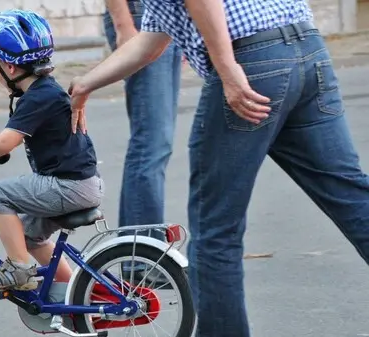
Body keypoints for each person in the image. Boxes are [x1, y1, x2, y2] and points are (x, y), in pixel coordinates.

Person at [67, 0, 369, 335]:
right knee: (350, 195)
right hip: (308, 52)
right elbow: (151, 40)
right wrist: (86, 84)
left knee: (216, 232)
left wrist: (226, 69)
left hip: (251, 60)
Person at [0, 9, 104, 291]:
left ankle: (18, 268)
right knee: (28, 237)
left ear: (9, 67)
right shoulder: (42, 92)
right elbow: (11, 139)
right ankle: (75, 293)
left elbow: (6, 141)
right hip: (80, 183)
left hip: (68, 186)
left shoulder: (38, 97)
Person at [103, 0, 182, 285]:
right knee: (151, 144)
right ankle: (140, 261)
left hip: (165, 19)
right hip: (139, 18)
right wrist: (123, 24)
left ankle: (140, 256)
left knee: (156, 145)